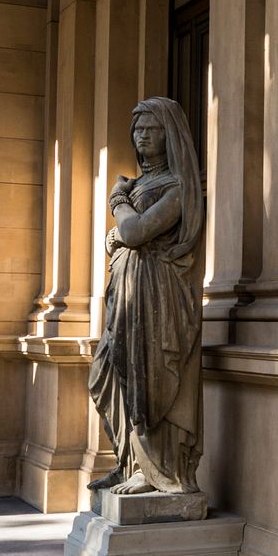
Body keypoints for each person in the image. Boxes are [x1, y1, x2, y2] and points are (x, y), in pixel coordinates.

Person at [90, 97, 205, 496]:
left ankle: (155, 470)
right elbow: (127, 235)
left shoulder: (177, 187)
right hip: (127, 297)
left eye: (150, 129)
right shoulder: (140, 184)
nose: (140, 135)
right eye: (137, 128)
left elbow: (137, 232)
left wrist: (119, 206)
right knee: (108, 373)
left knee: (148, 380)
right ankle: (127, 462)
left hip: (157, 301)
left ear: (167, 135)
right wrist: (118, 235)